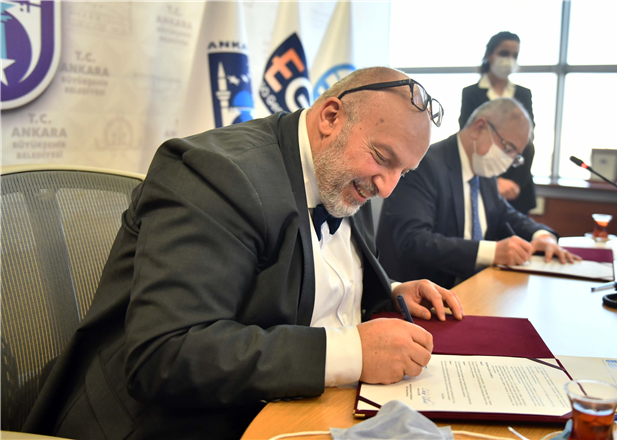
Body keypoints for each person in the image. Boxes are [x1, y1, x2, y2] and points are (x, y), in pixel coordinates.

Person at [22, 67, 464, 439]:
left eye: (404, 171)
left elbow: (303, 275)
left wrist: (389, 290)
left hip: (295, 410)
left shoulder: (342, 171)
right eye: (383, 158)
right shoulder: (217, 174)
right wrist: (353, 352)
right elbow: (166, 354)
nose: (388, 187)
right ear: (331, 117)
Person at [377, 98, 580, 289]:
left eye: (515, 156)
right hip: (423, 295)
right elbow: (413, 241)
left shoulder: (482, 168)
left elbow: (505, 214)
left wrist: (542, 236)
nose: (509, 161)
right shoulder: (425, 165)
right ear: (479, 128)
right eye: (508, 148)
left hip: (476, 288)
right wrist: (492, 252)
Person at [459, 31, 537, 215]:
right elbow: (467, 137)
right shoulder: (471, 93)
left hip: (518, 184)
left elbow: (527, 141)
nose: (509, 59)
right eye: (504, 53)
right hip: (482, 178)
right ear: (489, 54)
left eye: (515, 55)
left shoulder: (523, 94)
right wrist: (493, 182)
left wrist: (515, 183)